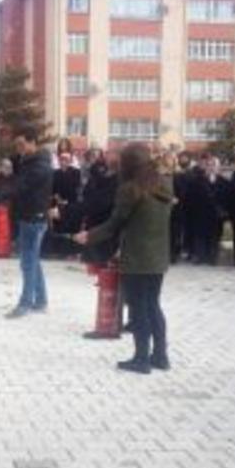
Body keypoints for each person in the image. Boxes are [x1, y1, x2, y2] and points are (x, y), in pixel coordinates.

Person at [74, 143, 174, 375]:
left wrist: (88, 236)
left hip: (138, 256)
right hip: (158, 256)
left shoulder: (130, 189)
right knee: (153, 305)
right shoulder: (165, 184)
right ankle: (160, 356)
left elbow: (114, 224)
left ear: (127, 164)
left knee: (139, 308)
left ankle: (141, 359)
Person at [0, 124, 54, 318]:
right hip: (27, 217)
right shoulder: (27, 160)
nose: (18, 148)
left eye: (21, 143)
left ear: (33, 142)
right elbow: (12, 182)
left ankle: (25, 303)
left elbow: (16, 188)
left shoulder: (39, 167)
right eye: (16, 144)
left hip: (35, 219)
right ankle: (41, 300)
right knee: (33, 261)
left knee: (28, 262)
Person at [188, 153, 230, 265]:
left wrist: (224, 211)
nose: (211, 167)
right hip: (201, 212)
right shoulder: (197, 180)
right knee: (200, 235)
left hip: (217, 214)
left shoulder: (224, 182)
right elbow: (191, 197)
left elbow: (227, 198)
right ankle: (200, 256)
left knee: (215, 235)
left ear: (218, 167)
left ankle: (213, 257)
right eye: (209, 165)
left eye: (213, 165)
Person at [80, 149, 119, 267]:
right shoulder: (99, 172)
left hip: (107, 219)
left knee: (104, 259)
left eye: (110, 153)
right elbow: (87, 191)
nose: (106, 156)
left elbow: (106, 200)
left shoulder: (120, 177)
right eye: (106, 153)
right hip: (95, 218)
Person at [49, 150, 83, 258]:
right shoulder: (55, 173)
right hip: (58, 203)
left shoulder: (76, 172)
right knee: (59, 228)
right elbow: (52, 188)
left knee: (71, 228)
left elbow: (75, 187)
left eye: (66, 160)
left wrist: (67, 200)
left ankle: (72, 252)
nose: (63, 162)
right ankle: (60, 252)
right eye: (61, 159)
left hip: (71, 204)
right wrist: (56, 197)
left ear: (70, 161)